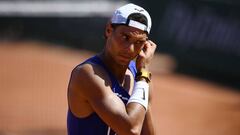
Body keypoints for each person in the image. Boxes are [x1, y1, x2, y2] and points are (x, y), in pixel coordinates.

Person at [67, 3, 157, 135]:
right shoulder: (88, 74)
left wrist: (142, 76)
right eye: (125, 37)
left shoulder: (139, 78)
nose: (130, 49)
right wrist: (143, 75)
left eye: (138, 42)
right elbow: (131, 130)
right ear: (109, 30)